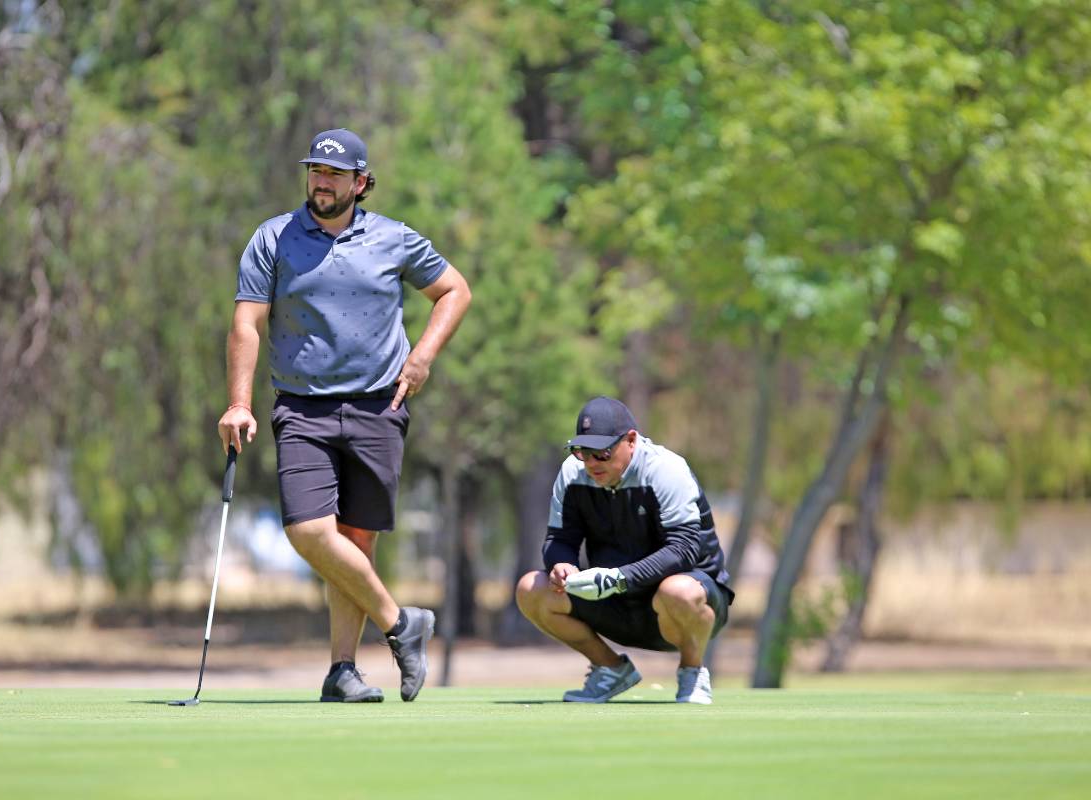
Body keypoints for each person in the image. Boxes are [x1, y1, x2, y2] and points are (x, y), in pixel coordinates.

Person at [217, 128, 472, 703]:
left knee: (356, 540)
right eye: (315, 171)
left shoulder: (394, 239)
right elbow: (246, 324)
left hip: (379, 405)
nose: (321, 182)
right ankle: (402, 625)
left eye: (334, 174)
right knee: (310, 531)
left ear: (360, 182)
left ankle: (342, 671)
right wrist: (239, 401)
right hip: (302, 407)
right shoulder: (274, 238)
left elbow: (454, 291)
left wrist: (423, 357)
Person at [515, 396, 734, 704]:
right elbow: (560, 539)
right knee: (531, 589)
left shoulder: (667, 469)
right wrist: (562, 565)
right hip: (615, 600)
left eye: (602, 452)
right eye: (583, 452)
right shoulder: (572, 473)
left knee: (678, 591)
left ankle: (692, 671)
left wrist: (619, 578)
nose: (591, 463)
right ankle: (610, 670)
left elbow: (684, 549)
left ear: (631, 440)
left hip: (686, 606)